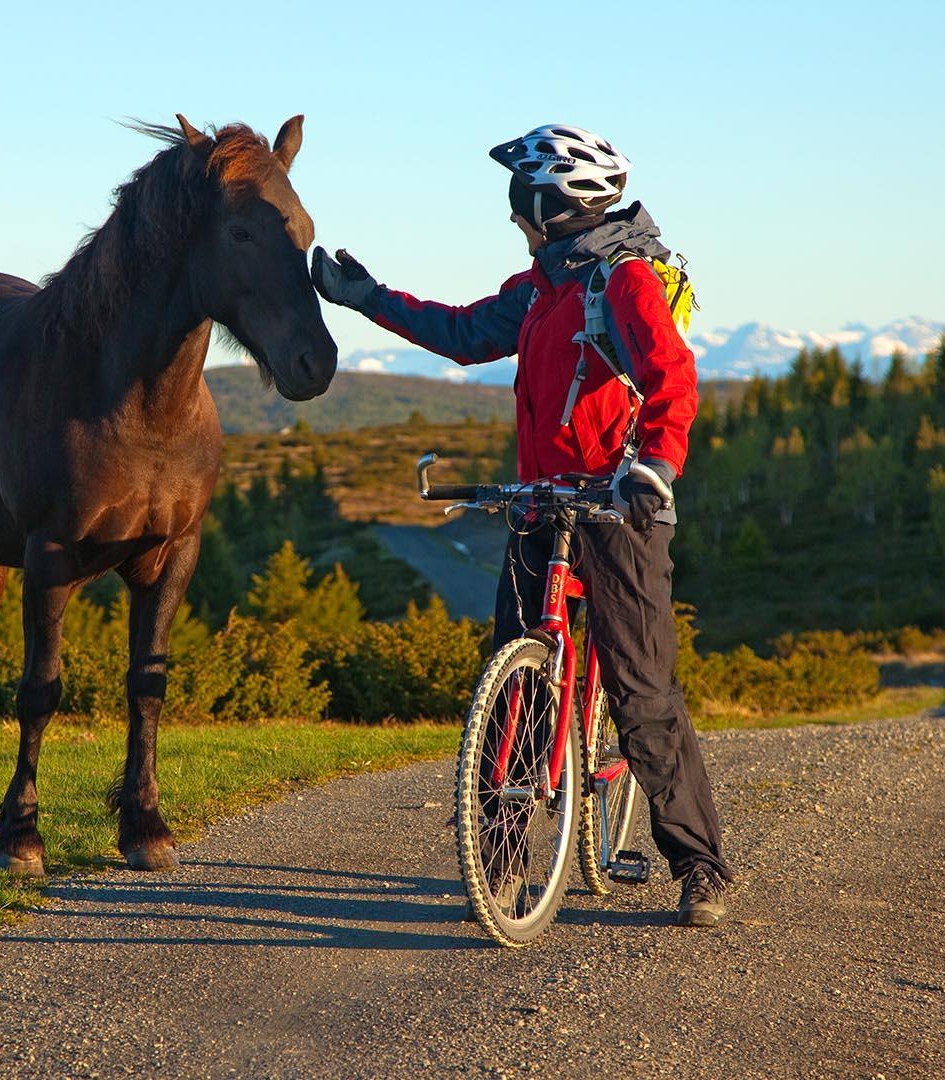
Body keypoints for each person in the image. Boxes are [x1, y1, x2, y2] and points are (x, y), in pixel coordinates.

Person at [311, 124, 731, 927]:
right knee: (516, 693)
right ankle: (499, 864)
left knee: (643, 692)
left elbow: (672, 379)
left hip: (618, 507)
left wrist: (655, 468)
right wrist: (369, 299)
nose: (514, 218)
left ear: (547, 202)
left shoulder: (626, 279)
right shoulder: (543, 284)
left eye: (519, 205)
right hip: (544, 502)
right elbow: (467, 335)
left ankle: (700, 865)